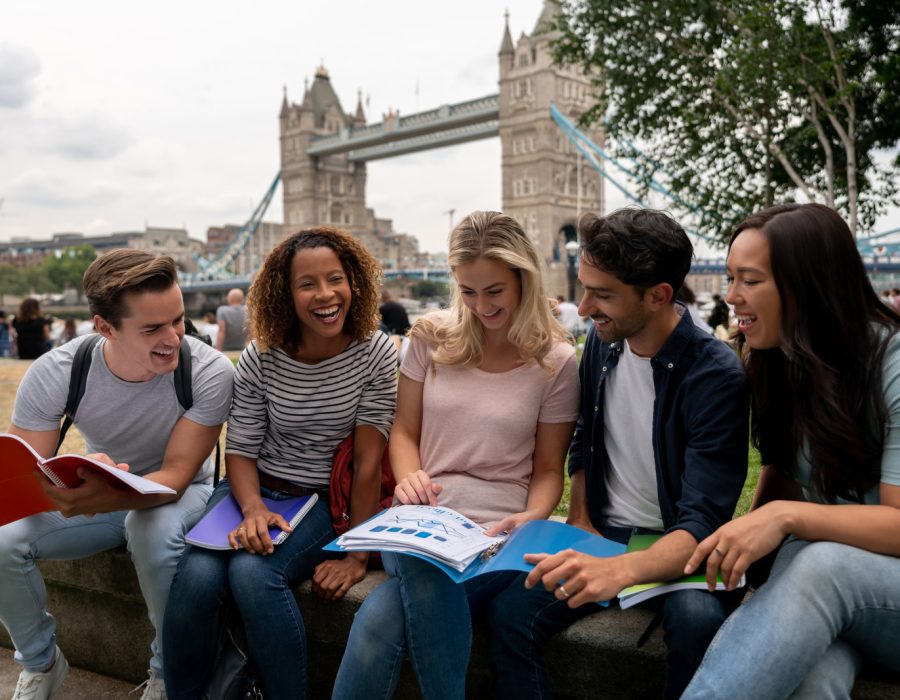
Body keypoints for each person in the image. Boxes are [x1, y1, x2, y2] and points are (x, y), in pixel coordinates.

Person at [489, 208, 749, 700]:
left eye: (602, 294)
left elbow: (701, 521)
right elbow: (585, 437)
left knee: (698, 624)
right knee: (510, 613)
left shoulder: (715, 375)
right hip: (604, 536)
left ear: (659, 296)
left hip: (679, 547)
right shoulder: (603, 346)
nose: (583, 308)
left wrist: (617, 571)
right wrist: (582, 519)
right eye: (584, 288)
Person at [332, 210, 580, 699]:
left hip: (496, 533)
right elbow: (403, 432)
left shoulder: (556, 360)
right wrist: (408, 479)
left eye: (494, 291)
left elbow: (550, 469)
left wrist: (531, 517)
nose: (480, 306)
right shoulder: (429, 337)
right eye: (468, 291)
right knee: (424, 562)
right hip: (420, 518)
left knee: (379, 620)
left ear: (523, 279)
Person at [163, 226, 398, 699]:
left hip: (321, 498)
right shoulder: (261, 355)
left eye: (335, 279)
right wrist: (252, 509)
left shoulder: (375, 353)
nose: (326, 295)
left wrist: (356, 554)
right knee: (196, 576)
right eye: (307, 284)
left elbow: (368, 464)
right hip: (253, 486)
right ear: (285, 295)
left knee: (254, 574)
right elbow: (242, 450)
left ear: (355, 281)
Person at [681, 203, 900, 699]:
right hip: (842, 595)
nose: (731, 296)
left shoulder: (893, 359)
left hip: (867, 584)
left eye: (749, 280)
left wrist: (784, 517)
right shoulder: (779, 360)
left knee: (819, 561)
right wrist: (736, 556)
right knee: (812, 679)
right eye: (731, 278)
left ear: (809, 284)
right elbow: (782, 469)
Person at [0, 249, 234, 700]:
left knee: (151, 528)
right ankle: (40, 663)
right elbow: (23, 476)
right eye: (152, 328)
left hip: (178, 495)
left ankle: (169, 674)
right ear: (104, 327)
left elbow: (177, 476)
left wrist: (103, 496)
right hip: (102, 493)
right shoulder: (57, 371)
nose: (174, 338)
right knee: (3, 540)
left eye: (179, 320)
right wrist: (78, 480)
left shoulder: (207, 371)